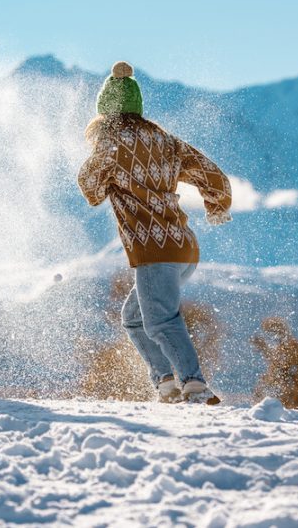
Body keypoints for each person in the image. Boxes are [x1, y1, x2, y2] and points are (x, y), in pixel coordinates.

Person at [78, 61, 232, 404]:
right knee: (134, 319)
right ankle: (166, 382)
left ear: (106, 112)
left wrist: (105, 172)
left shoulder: (112, 144)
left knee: (161, 321)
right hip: (183, 248)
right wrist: (217, 205)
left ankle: (194, 384)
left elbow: (89, 187)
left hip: (154, 250)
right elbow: (212, 174)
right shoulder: (165, 140)